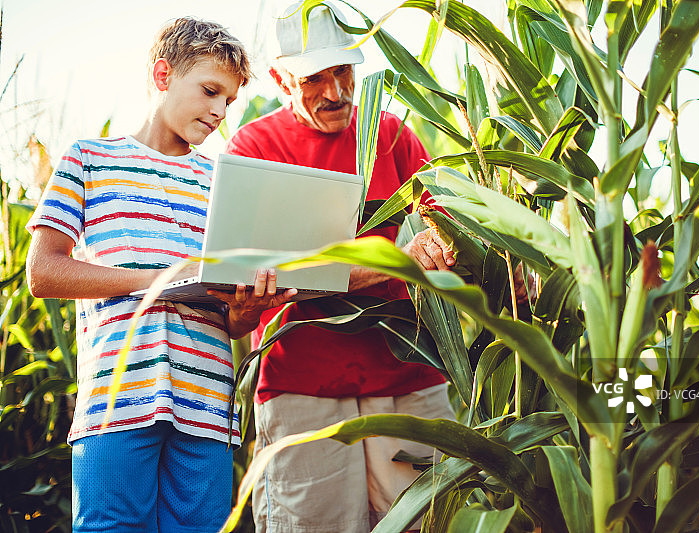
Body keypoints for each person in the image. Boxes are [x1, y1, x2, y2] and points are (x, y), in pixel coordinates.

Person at [25, 18, 296, 533]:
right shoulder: (88, 159)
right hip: (115, 402)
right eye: (210, 91)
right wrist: (162, 277)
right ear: (163, 74)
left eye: (229, 100)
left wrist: (246, 309)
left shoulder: (222, 183)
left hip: (207, 409)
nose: (220, 111)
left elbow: (231, 322)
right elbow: (43, 272)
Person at [224, 2, 459, 532]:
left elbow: (447, 227)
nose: (335, 92)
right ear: (281, 79)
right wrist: (398, 260)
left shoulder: (394, 135)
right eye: (314, 79)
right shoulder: (255, 148)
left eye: (343, 71)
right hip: (303, 388)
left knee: (429, 522)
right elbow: (278, 270)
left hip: (409, 374)